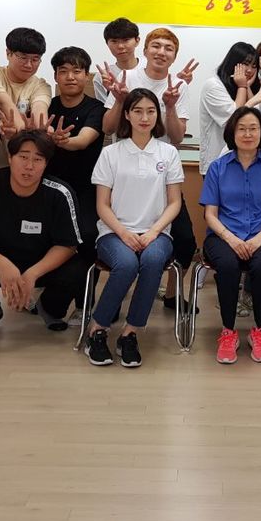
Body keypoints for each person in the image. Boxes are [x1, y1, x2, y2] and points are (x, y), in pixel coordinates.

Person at [0, 130, 85, 339]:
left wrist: (33, 274)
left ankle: (49, 309)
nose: (29, 166)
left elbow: (68, 245)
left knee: (78, 269)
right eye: (23, 157)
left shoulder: (59, 193)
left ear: (46, 164)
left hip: (41, 264)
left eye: (37, 159)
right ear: (10, 158)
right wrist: (2, 264)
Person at [83, 89, 184, 367]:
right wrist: (124, 233)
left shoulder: (168, 152)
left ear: (157, 115)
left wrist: (153, 232)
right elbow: (102, 205)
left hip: (157, 233)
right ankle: (97, 329)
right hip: (114, 232)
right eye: (137, 111)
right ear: (127, 115)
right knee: (126, 264)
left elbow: (174, 203)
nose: (144, 117)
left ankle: (130, 333)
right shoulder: (110, 153)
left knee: (152, 261)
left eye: (151, 111)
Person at [100, 27, 198, 308]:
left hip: (161, 171)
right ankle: (118, 295)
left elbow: (176, 137)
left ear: (174, 56)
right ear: (144, 50)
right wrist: (120, 100)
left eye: (169, 48)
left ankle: (171, 294)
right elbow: (108, 128)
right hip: (124, 172)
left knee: (185, 239)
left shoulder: (179, 86)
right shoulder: (127, 77)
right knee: (123, 243)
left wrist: (170, 106)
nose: (161, 52)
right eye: (156, 46)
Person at [201, 107, 261, 364]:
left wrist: (259, 239)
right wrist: (232, 239)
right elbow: (210, 215)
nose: (248, 134)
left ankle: (259, 330)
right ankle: (228, 332)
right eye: (242, 129)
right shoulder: (218, 168)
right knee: (228, 265)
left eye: (253, 128)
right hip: (222, 235)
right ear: (232, 132)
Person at [45, 46, 106, 321]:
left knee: (88, 238)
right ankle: (49, 299)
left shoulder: (96, 109)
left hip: (85, 188)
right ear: (55, 76)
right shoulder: (47, 106)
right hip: (49, 188)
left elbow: (82, 141)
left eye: (77, 71)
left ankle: (84, 304)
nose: (70, 77)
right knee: (49, 240)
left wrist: (60, 140)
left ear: (86, 75)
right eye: (64, 71)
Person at [0, 27, 52, 171]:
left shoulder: (41, 85)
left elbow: (40, 111)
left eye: (35, 59)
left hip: (27, 170)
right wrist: (25, 131)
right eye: (23, 57)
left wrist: (42, 129)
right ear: (8, 53)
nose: (29, 64)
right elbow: (4, 103)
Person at [199, 42, 261, 174]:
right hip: (217, 163)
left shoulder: (243, 86)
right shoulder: (213, 86)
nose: (249, 70)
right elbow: (233, 120)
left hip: (246, 161)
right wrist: (243, 87)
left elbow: (257, 117)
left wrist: (246, 87)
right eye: (245, 64)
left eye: (254, 66)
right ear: (232, 62)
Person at [93, 17, 141, 107]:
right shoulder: (102, 77)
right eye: (114, 41)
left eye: (126, 40)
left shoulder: (150, 69)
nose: (120, 46)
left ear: (137, 41)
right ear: (107, 44)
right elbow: (104, 111)